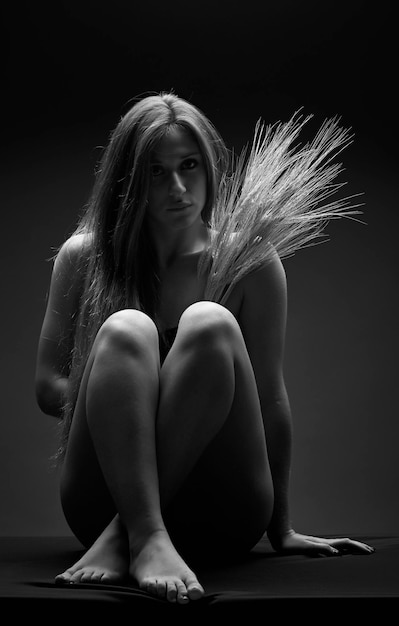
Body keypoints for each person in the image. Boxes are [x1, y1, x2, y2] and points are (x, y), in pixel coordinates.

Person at [35, 92, 374, 606]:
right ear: (128, 181)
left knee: (209, 321)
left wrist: (282, 528)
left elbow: (269, 397)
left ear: (208, 167)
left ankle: (129, 534)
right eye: (155, 171)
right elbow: (47, 386)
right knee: (128, 328)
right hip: (106, 492)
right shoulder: (83, 257)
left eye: (189, 165)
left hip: (222, 505)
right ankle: (144, 528)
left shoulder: (249, 262)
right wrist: (133, 406)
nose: (177, 187)